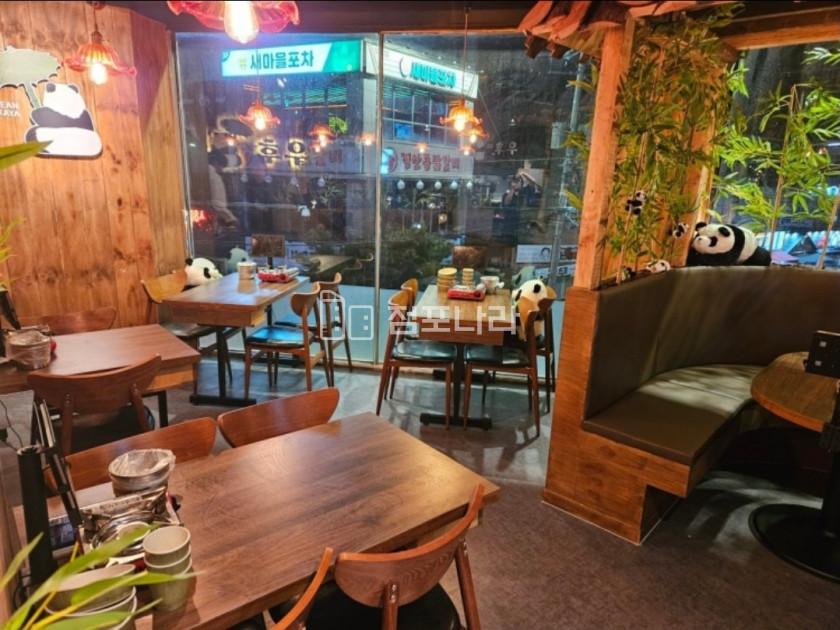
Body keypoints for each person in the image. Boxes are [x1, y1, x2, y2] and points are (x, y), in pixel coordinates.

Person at [207, 150, 239, 232]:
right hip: (209, 216)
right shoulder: (214, 176)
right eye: (222, 166)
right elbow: (217, 203)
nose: (222, 169)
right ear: (216, 163)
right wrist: (231, 218)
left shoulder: (199, 171)